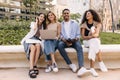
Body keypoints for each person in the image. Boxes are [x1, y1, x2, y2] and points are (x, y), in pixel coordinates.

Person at [58, 9, 88, 76]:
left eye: (67, 13)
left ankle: (81, 67)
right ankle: (70, 64)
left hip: (74, 41)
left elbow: (78, 35)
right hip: (65, 41)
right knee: (59, 45)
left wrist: (76, 39)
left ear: (69, 14)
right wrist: (63, 40)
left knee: (79, 47)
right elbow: (60, 35)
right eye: (64, 13)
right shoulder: (60, 24)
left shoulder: (75, 23)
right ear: (62, 15)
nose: (66, 14)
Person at [80, 9, 108, 77]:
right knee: (94, 42)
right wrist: (91, 36)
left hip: (94, 41)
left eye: (89, 14)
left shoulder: (97, 23)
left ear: (92, 15)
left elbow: (97, 34)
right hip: (86, 42)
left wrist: (92, 36)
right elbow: (83, 37)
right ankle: (100, 61)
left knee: (94, 43)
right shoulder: (83, 25)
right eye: (86, 14)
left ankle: (92, 68)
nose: (87, 15)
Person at [21, 13, 46, 78]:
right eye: (41, 16)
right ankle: (31, 68)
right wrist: (37, 21)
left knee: (38, 46)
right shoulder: (33, 23)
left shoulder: (43, 26)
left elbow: (42, 37)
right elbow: (34, 28)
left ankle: (35, 65)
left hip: (37, 40)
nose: (42, 18)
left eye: (43, 17)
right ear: (38, 17)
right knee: (33, 48)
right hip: (30, 39)